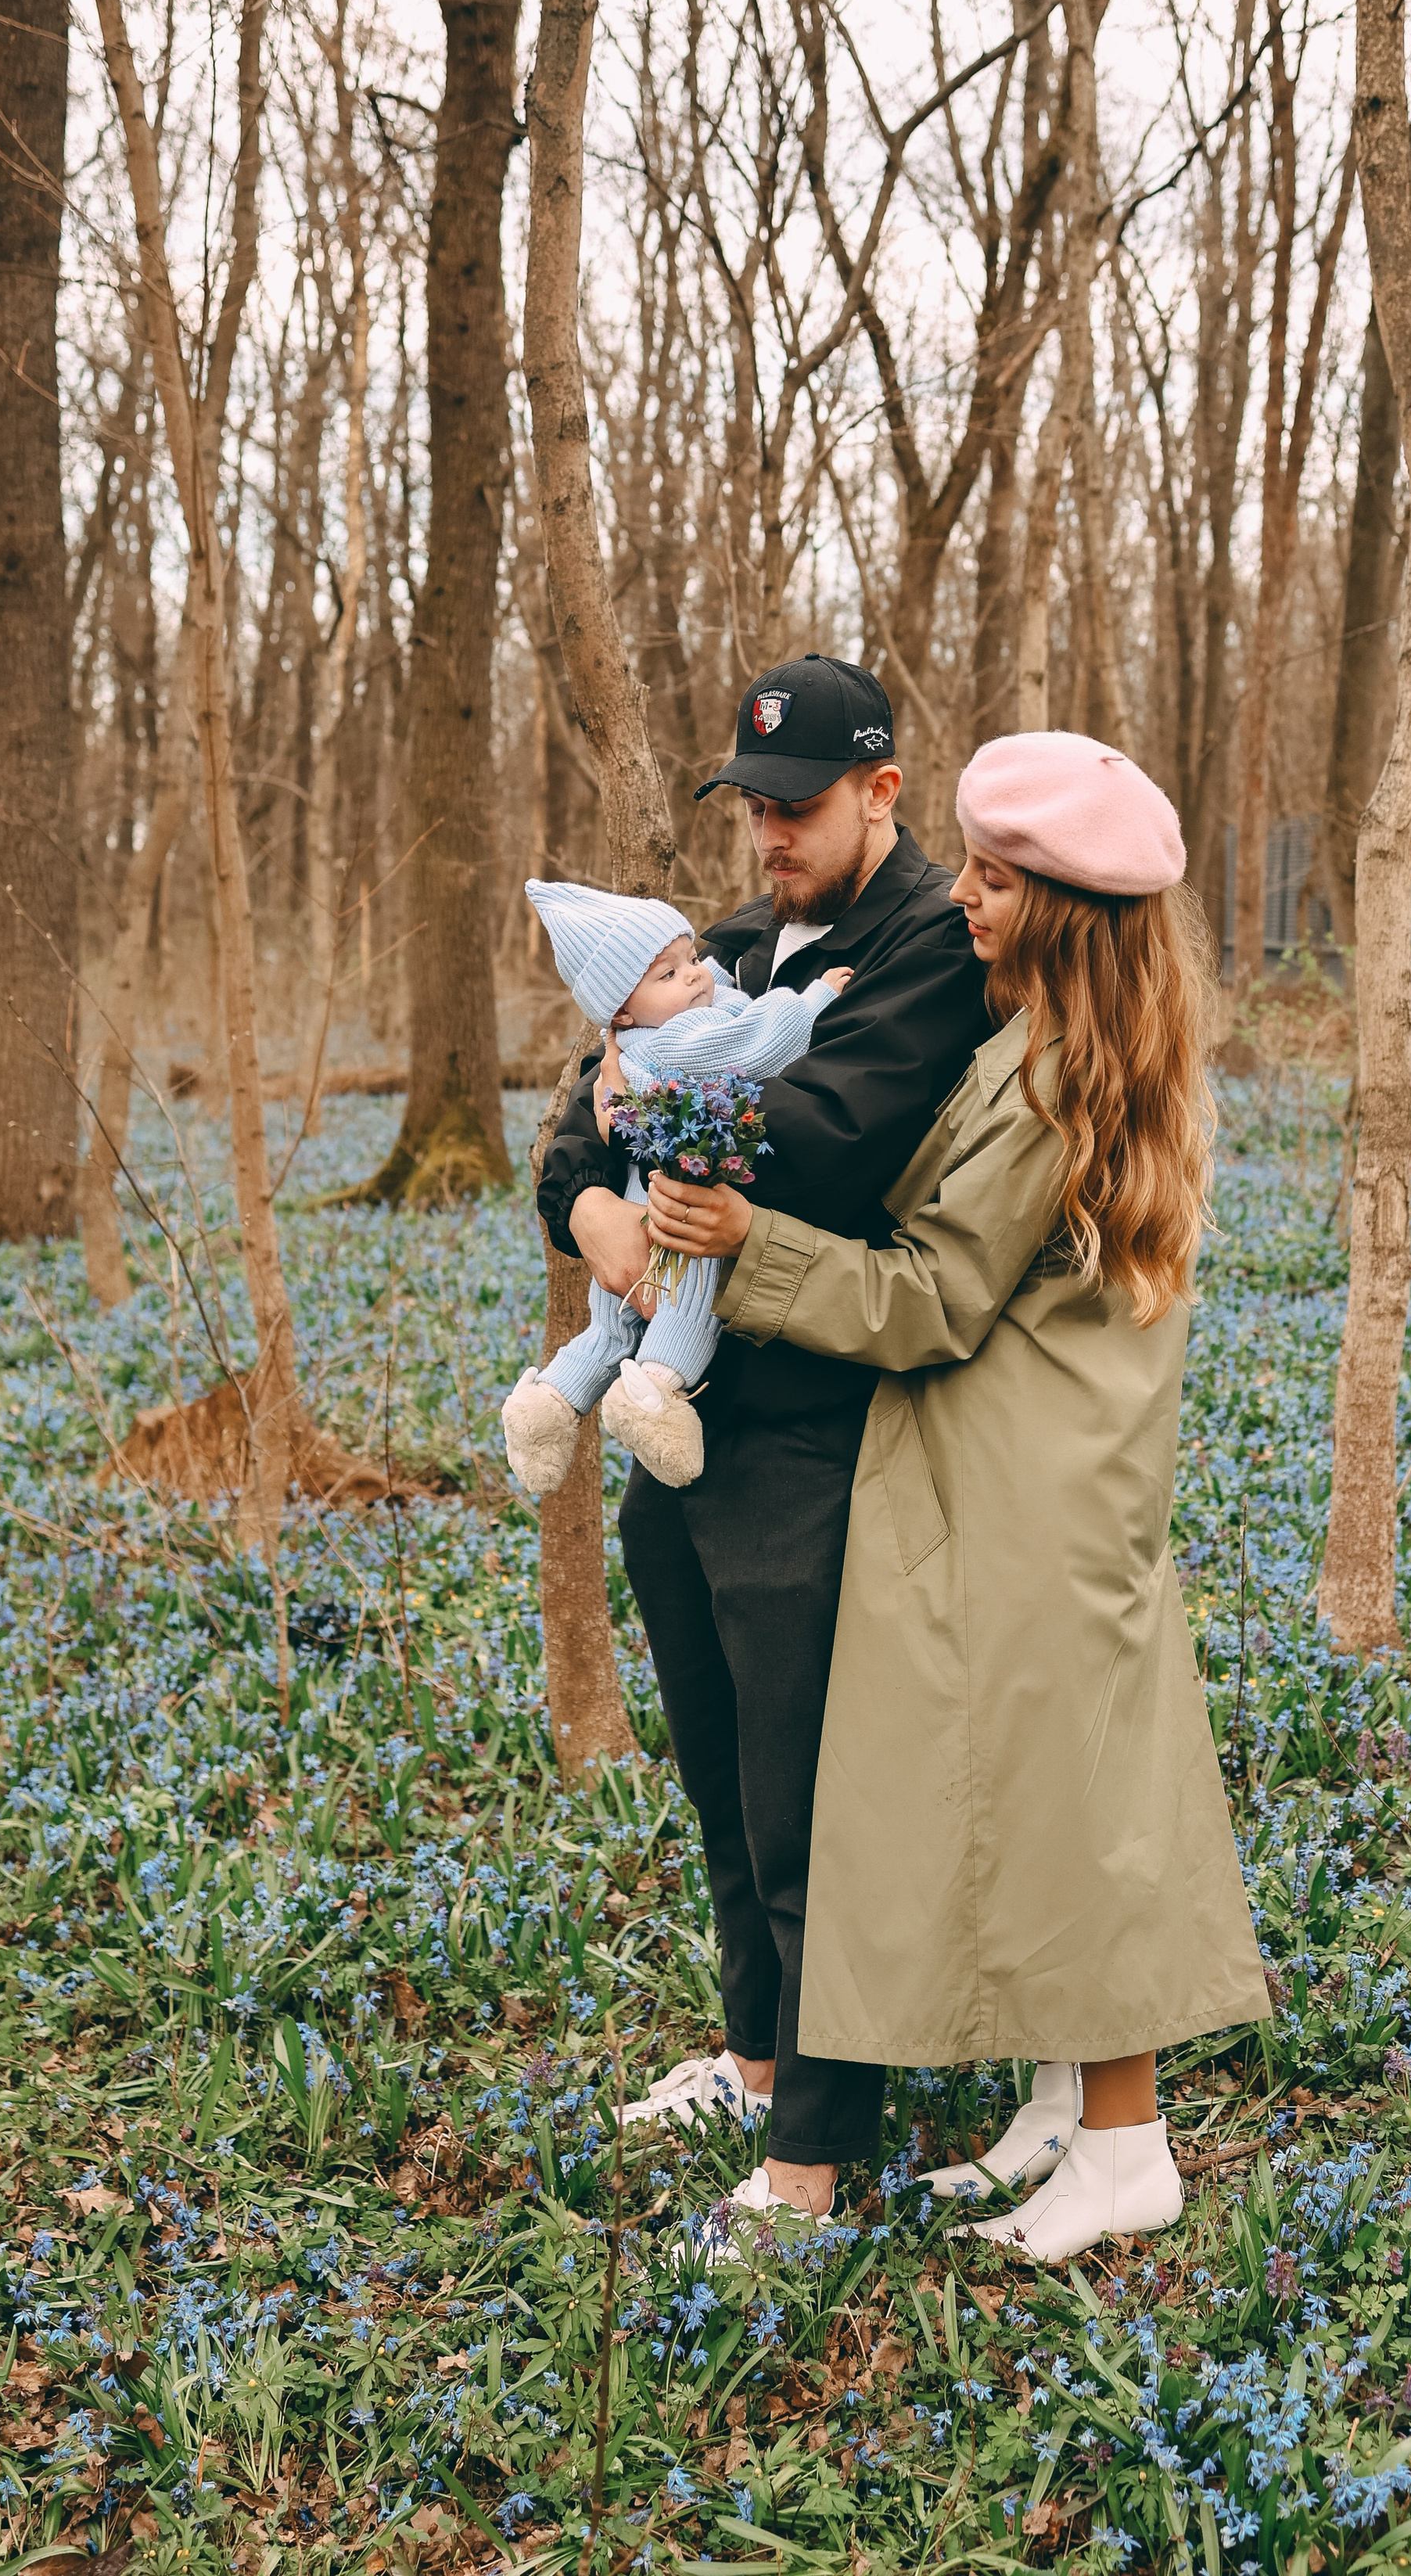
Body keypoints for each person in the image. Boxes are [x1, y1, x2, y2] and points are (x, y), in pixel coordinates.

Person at [644, 727, 1271, 2258]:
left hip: (1026, 1482)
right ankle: (1062, 2119)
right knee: (1046, 1792)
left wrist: (747, 1247)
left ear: (1059, 911)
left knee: (1073, 1812)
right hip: (1040, 1468)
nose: (965, 901)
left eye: (992, 883)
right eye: (971, 873)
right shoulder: (1059, 1044)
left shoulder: (1050, 1078)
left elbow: (928, 1301)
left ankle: (1124, 2150)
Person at [535, 653, 993, 2194]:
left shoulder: (932, 945)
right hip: (681, 1427)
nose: (770, 837)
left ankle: (820, 2150)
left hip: (818, 1429)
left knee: (811, 1791)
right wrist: (600, 1207)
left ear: (879, 791)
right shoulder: (719, 947)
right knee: (723, 1774)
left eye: (798, 808)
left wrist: (654, 1102)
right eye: (751, 808)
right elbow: (567, 1131)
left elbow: (829, 1134)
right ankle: (753, 2059)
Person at [503, 883, 854, 1490]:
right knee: (686, 1307)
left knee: (610, 1329)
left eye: (691, 959)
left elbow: (710, 990)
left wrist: (694, 970)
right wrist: (815, 998)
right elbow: (755, 1042)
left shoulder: (647, 1027)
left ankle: (549, 1403)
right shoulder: (674, 1041)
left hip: (629, 1219)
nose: (694, 977)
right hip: (672, 1221)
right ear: (619, 1011)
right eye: (671, 973)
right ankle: (657, 1395)